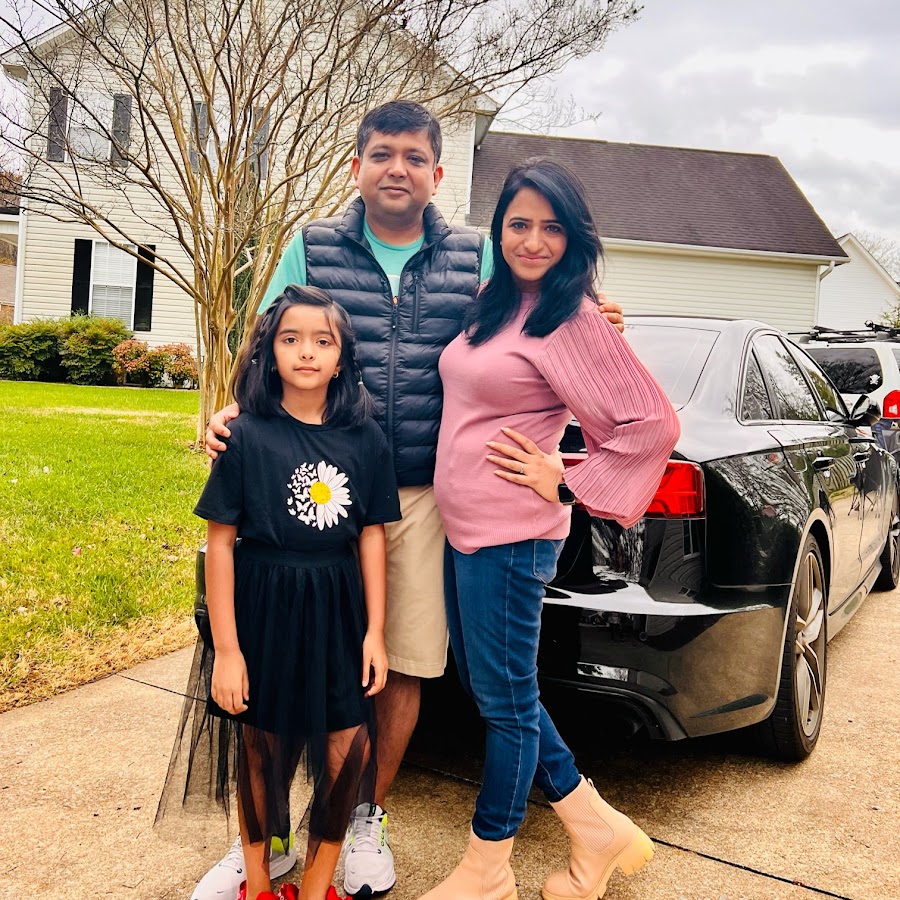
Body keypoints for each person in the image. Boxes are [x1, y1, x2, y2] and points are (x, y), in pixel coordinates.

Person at [201, 100, 625, 900]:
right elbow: (265, 344)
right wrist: (233, 410)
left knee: (402, 664)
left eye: (414, 157)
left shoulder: (477, 254)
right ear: (357, 165)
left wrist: (593, 317)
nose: (397, 168)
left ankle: (365, 819)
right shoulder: (311, 246)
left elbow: (540, 307)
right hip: (310, 494)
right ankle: (268, 835)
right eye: (382, 153)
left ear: (438, 172)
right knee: (282, 659)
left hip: (427, 497)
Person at [420, 158, 680, 900]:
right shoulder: (494, 302)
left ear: (575, 237)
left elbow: (651, 423)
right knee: (497, 690)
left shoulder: (570, 317)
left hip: (511, 536)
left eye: (551, 227)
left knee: (505, 705)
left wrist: (563, 477)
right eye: (518, 224)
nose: (533, 241)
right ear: (498, 230)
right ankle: (595, 828)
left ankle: (487, 868)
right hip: (465, 530)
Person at [156, 286, 400, 900]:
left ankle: (318, 884)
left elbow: (372, 536)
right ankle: (260, 882)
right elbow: (220, 544)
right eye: (291, 339)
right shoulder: (244, 436)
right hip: (262, 606)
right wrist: (227, 651)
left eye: (323, 341)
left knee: (347, 739)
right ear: (269, 353)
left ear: (342, 358)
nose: (307, 352)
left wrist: (375, 631)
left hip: (338, 606)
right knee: (260, 744)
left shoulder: (366, 437)